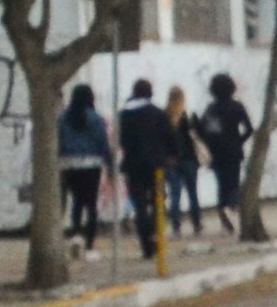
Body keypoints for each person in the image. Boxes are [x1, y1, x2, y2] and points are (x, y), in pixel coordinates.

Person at [115, 79, 178, 260]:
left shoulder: (125, 115)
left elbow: (121, 140)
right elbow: (171, 137)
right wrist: (173, 155)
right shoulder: (157, 113)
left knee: (140, 205)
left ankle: (146, 245)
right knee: (158, 201)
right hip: (156, 166)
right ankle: (156, 235)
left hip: (133, 166)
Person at [195, 74, 257, 231]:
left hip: (216, 152)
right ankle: (230, 207)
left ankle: (223, 214)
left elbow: (202, 131)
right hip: (234, 151)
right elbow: (249, 129)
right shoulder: (237, 106)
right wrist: (239, 141)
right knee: (233, 183)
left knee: (221, 184)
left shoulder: (211, 108)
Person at [56, 82, 108, 251]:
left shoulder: (63, 118)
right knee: (91, 203)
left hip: (69, 164)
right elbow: (102, 142)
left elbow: (59, 141)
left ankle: (76, 234)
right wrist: (109, 161)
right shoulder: (96, 118)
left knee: (77, 201)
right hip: (91, 164)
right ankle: (89, 243)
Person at [161, 83, 205, 233]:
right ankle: (197, 223)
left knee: (175, 193)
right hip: (189, 158)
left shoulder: (164, 116)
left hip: (171, 160)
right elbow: (200, 134)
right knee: (193, 192)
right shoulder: (189, 115)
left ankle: (176, 225)